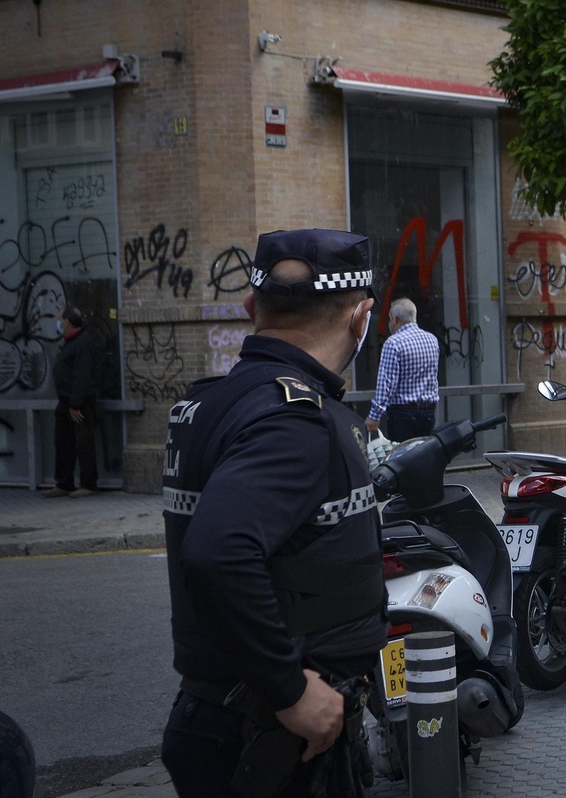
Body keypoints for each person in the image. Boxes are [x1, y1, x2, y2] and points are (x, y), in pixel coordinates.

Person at [160, 229, 386, 798]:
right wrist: (290, 690)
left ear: (251, 308)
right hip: (271, 740)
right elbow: (217, 552)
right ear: (361, 319)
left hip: (230, 721)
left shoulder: (216, 402)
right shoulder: (294, 419)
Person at [364, 296, 440, 441]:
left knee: (401, 459)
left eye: (389, 319)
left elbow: (386, 383)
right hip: (428, 412)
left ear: (394, 319)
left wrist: (375, 415)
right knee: (423, 457)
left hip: (402, 414)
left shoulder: (393, 343)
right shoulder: (432, 340)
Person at [44, 305, 100, 498]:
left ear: (67, 322)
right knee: (63, 443)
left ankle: (88, 484)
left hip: (79, 403)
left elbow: (82, 376)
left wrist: (75, 404)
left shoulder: (82, 343)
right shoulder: (71, 342)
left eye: (60, 320)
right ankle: (64, 483)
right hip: (66, 402)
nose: (58, 324)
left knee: (83, 443)